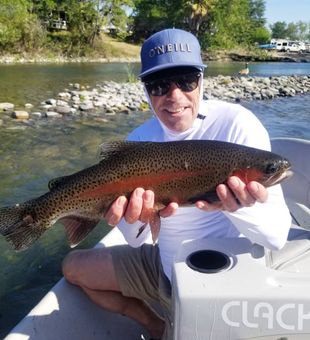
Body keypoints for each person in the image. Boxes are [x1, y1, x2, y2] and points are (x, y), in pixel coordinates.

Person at [62, 28, 291, 339]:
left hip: (223, 280)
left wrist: (238, 207)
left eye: (186, 80)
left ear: (201, 79)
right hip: (161, 267)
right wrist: (135, 218)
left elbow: (276, 237)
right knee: (72, 267)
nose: (174, 97)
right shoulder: (140, 140)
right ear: (145, 89)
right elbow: (136, 241)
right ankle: (155, 324)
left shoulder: (237, 125)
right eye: (158, 85)